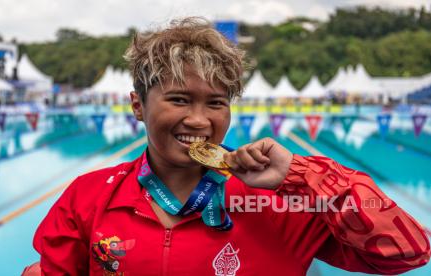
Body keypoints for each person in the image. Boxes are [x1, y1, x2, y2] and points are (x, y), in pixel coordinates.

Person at [25, 17, 430, 275]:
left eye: (216, 103)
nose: (200, 120)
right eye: (180, 99)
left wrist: (304, 176)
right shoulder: (90, 196)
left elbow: (408, 252)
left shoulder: (279, 202)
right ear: (138, 105)